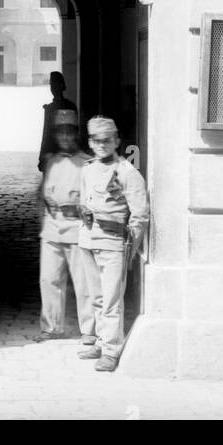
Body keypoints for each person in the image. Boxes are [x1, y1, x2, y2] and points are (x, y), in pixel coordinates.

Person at [77, 116, 149, 373]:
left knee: (111, 300)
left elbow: (139, 216)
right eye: (96, 141)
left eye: (107, 140)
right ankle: (99, 340)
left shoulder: (128, 174)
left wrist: (130, 250)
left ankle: (111, 350)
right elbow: (85, 201)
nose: (102, 145)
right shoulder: (87, 169)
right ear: (90, 142)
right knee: (96, 297)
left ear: (117, 141)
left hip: (113, 243)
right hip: (87, 239)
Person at [38, 108, 99, 343]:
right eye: (60, 132)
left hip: (76, 228)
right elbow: (40, 196)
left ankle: (89, 330)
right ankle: (51, 327)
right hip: (52, 228)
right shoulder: (51, 162)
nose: (64, 137)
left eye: (69, 132)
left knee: (83, 283)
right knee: (49, 279)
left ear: (76, 134)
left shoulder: (87, 164)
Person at [38, 71, 78, 171]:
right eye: (51, 84)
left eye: (56, 84)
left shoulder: (70, 106)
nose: (53, 87)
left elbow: (75, 133)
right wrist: (42, 157)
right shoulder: (50, 108)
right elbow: (46, 134)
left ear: (62, 85)